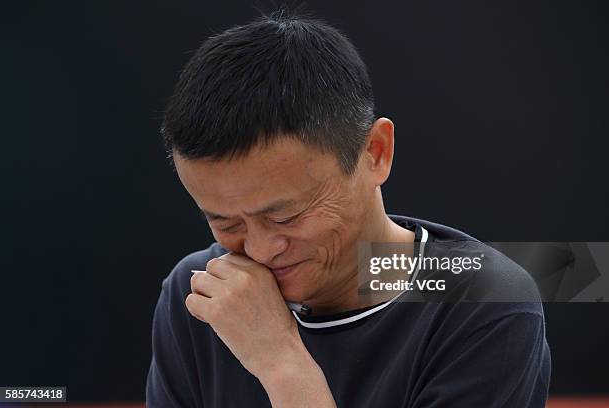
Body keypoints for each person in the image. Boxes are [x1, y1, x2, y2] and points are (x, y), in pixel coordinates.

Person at [146, 10, 551, 407]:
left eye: (286, 216)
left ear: (376, 153)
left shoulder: (478, 298)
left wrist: (282, 364)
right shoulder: (200, 294)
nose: (262, 250)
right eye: (225, 221)